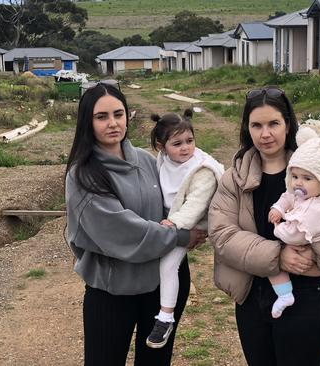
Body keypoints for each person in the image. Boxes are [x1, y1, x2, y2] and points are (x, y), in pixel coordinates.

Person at [208, 86, 320, 366]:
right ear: (247, 128)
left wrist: (316, 256)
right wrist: (277, 256)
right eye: (256, 125)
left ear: (288, 124)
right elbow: (222, 234)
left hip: (311, 296)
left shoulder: (316, 167)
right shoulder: (234, 178)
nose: (265, 133)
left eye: (273, 123)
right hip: (253, 296)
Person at [64, 83, 206, 365]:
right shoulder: (83, 174)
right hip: (112, 291)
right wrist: (180, 237)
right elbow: (122, 230)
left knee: (156, 360)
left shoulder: (146, 160)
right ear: (87, 122)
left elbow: (174, 202)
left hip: (159, 286)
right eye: (101, 117)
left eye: (119, 114)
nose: (113, 123)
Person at [145, 109, 224, 348]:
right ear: (161, 147)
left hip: (193, 220)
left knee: (168, 264)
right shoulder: (164, 160)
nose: (185, 148)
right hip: (172, 216)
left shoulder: (201, 170)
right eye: (177, 143)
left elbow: (196, 204)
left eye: (189, 141)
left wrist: (174, 224)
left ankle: (165, 317)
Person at [267, 127, 320, 318]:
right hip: (311, 241)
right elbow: (286, 197)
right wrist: (278, 209)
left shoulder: (317, 206)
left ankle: (286, 294)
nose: (298, 183)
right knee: (268, 261)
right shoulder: (303, 193)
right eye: (294, 176)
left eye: (307, 178)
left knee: (273, 265)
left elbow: (294, 235)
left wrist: (278, 229)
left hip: (309, 240)